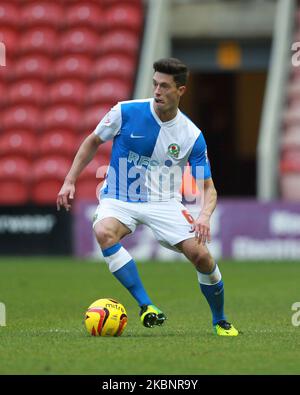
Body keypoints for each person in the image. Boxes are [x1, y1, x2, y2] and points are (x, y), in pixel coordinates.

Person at [57, 57, 238, 336]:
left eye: (164, 86)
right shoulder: (125, 111)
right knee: (104, 231)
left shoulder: (191, 136)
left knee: (201, 256)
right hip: (120, 196)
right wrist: (70, 180)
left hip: (164, 202)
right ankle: (147, 306)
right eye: (155, 84)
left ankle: (220, 320)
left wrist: (204, 215)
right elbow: (93, 140)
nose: (157, 92)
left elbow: (208, 188)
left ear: (181, 90)